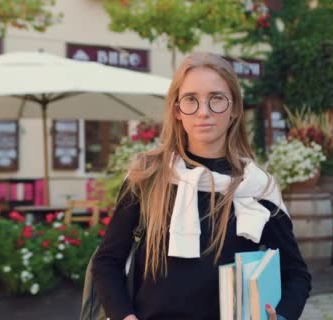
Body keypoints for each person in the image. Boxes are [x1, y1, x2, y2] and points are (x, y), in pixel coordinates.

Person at [91, 52, 311, 320]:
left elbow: (296, 275)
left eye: (216, 99)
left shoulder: (257, 187)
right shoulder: (148, 178)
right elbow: (107, 263)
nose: (203, 111)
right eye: (191, 100)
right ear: (177, 110)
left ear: (235, 109)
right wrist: (124, 317)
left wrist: (283, 316)